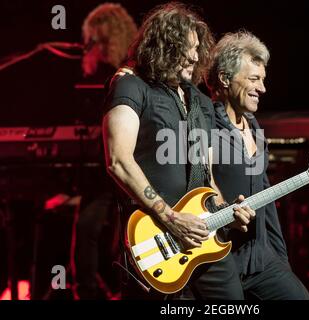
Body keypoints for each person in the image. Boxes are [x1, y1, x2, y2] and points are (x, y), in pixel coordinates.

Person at [102, 2, 254, 300]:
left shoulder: (201, 102)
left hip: (204, 238)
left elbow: (206, 180)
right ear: (165, 45)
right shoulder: (131, 86)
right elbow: (118, 160)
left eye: (199, 48)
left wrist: (226, 213)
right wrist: (170, 218)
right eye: (190, 47)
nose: (197, 57)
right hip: (156, 236)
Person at [206, 30, 309, 299]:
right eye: (254, 79)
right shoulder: (204, 125)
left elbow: (267, 204)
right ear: (225, 79)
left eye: (263, 80)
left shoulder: (255, 131)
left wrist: (280, 259)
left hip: (260, 258)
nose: (262, 88)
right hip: (218, 259)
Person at [73, 3, 137, 300]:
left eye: (91, 41)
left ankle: (93, 291)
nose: (87, 48)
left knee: (90, 229)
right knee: (90, 228)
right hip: (108, 174)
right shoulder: (111, 76)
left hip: (125, 171)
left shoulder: (120, 78)